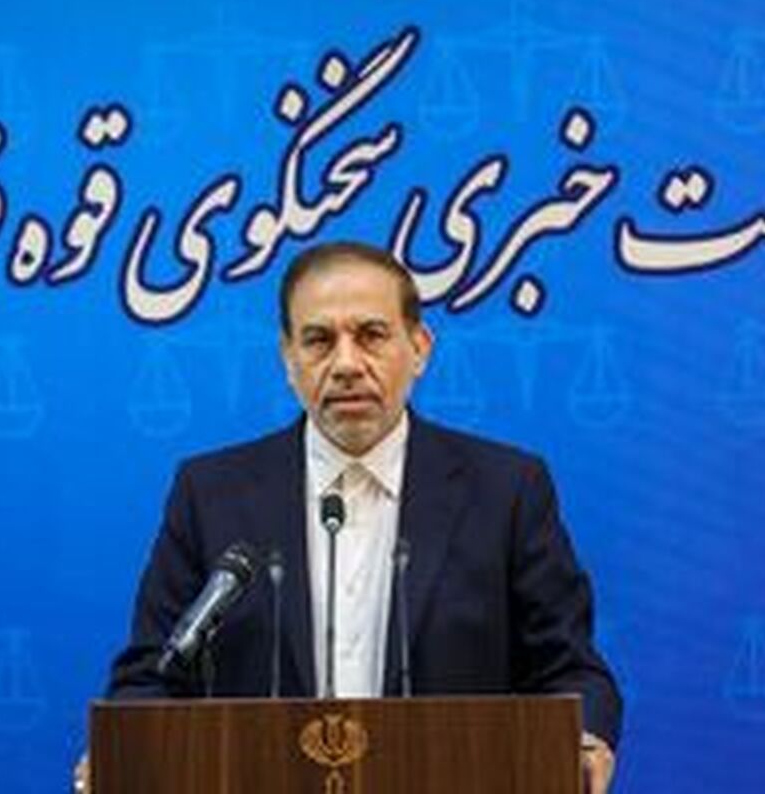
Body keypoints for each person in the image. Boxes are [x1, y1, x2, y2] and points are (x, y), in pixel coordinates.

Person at [78, 241, 621, 793]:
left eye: (371, 335)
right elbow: (151, 676)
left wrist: (585, 741)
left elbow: (568, 668)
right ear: (288, 359)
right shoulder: (211, 494)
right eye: (318, 340)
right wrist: (127, 748)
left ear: (419, 348)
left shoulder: (505, 490)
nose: (345, 365)